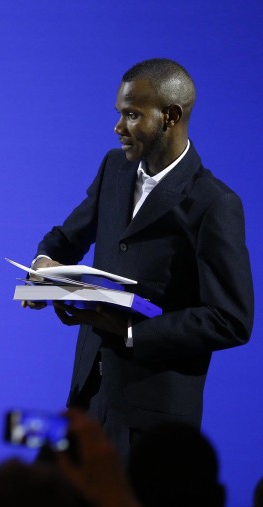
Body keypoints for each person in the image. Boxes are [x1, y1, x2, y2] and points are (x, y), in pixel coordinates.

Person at [22, 58, 254, 455]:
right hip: (86, 402)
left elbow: (231, 320)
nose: (118, 128)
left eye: (132, 115)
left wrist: (130, 333)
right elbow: (64, 238)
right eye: (119, 114)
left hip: (153, 425)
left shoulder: (214, 203)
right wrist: (43, 269)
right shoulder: (115, 169)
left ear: (171, 116)